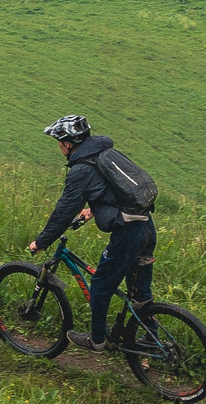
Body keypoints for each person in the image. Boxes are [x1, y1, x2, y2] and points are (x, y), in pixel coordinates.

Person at [26, 113, 154, 351]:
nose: (58, 148)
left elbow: (64, 210)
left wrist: (42, 241)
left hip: (129, 234)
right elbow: (117, 188)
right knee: (140, 292)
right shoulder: (103, 154)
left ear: (67, 143)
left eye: (58, 143)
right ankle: (150, 338)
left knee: (101, 285)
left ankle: (97, 340)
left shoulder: (80, 170)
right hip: (146, 225)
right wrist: (93, 209)